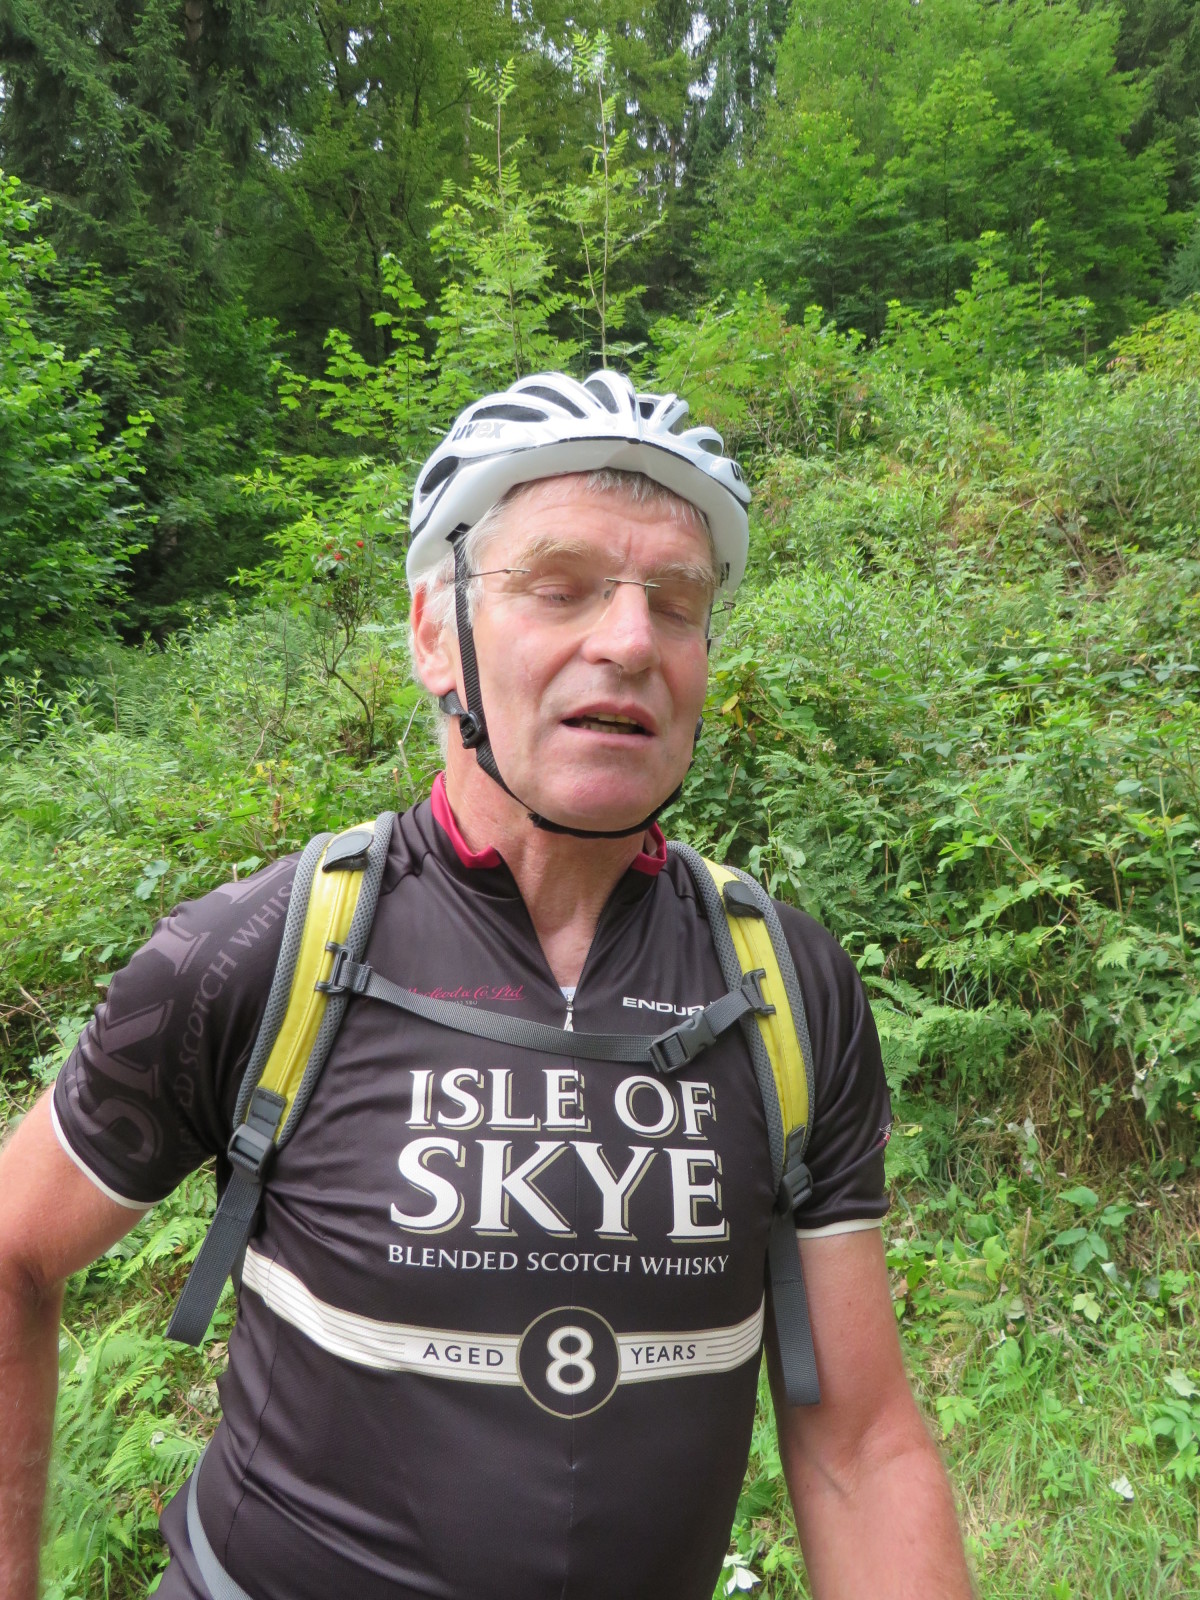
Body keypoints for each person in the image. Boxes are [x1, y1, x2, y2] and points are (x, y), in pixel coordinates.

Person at [0, 370, 973, 1600]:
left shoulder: (785, 982)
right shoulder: (260, 947)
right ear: (433, 635)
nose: (630, 642)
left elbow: (860, 1448)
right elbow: (13, 1248)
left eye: (676, 604)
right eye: (559, 587)